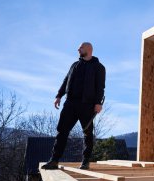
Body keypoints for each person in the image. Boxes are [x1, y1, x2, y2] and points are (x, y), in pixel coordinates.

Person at [42, 42, 106, 170]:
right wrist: (59, 95)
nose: (78, 49)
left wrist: (98, 103)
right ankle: (54, 160)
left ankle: (86, 161)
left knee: (88, 134)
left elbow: (100, 86)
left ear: (88, 49)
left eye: (81, 47)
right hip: (70, 103)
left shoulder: (99, 67)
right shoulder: (75, 65)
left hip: (87, 105)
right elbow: (66, 80)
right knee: (62, 131)